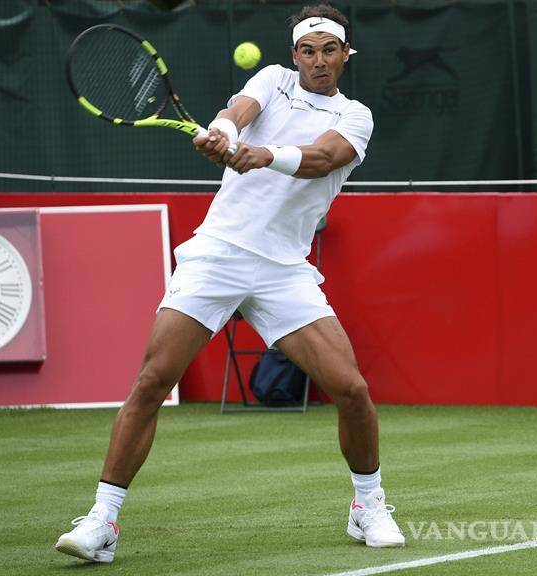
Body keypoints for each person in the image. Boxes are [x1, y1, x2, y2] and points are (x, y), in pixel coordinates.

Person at [55, 2, 405, 564]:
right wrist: (220, 131)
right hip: (218, 253)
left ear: (345, 55)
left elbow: (323, 158)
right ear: (295, 55)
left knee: (353, 389)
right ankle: (102, 521)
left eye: (329, 51)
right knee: (152, 380)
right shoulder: (271, 79)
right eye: (308, 50)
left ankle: (369, 505)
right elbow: (239, 110)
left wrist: (262, 154)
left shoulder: (355, 116)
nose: (318, 60)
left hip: (283, 269)